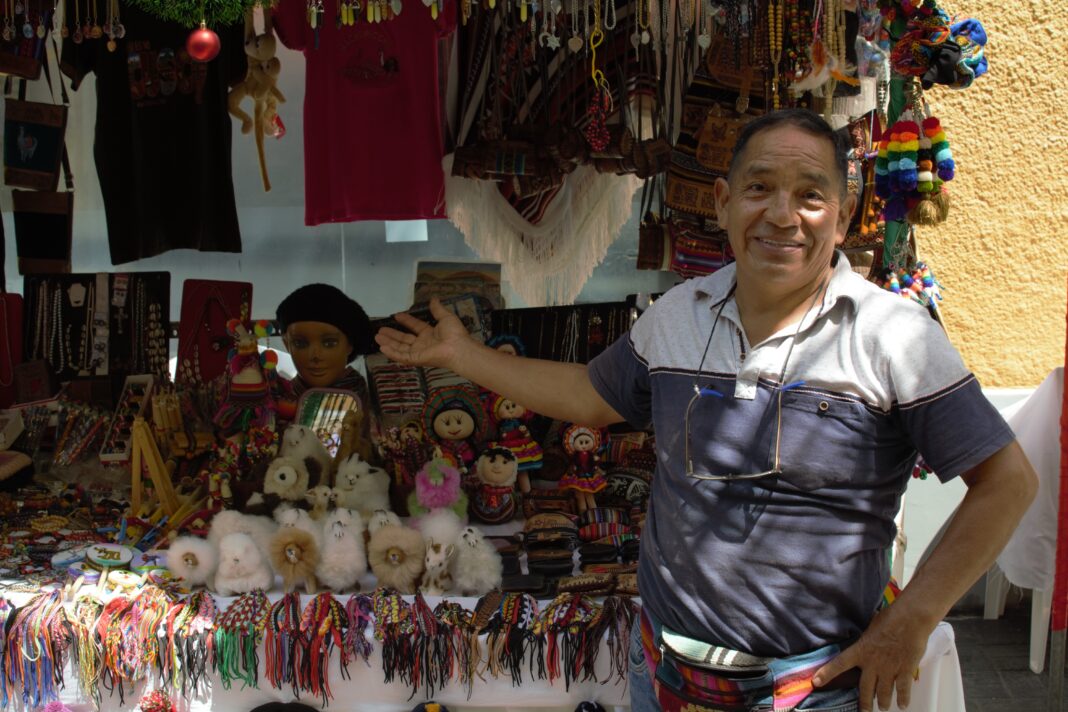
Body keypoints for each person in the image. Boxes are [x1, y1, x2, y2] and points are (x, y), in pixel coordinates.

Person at [375, 109, 1037, 712]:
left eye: (809, 195)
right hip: (667, 673)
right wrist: (462, 355)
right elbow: (587, 397)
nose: (782, 215)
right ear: (722, 203)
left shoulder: (894, 335)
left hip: (817, 687)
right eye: (758, 189)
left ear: (841, 215)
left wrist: (912, 619)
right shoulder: (676, 318)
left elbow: (1008, 482)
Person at [276, 283, 376, 436]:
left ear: (350, 345)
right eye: (300, 343)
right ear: (286, 344)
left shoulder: (367, 401)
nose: (315, 355)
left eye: (329, 343)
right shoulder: (276, 400)